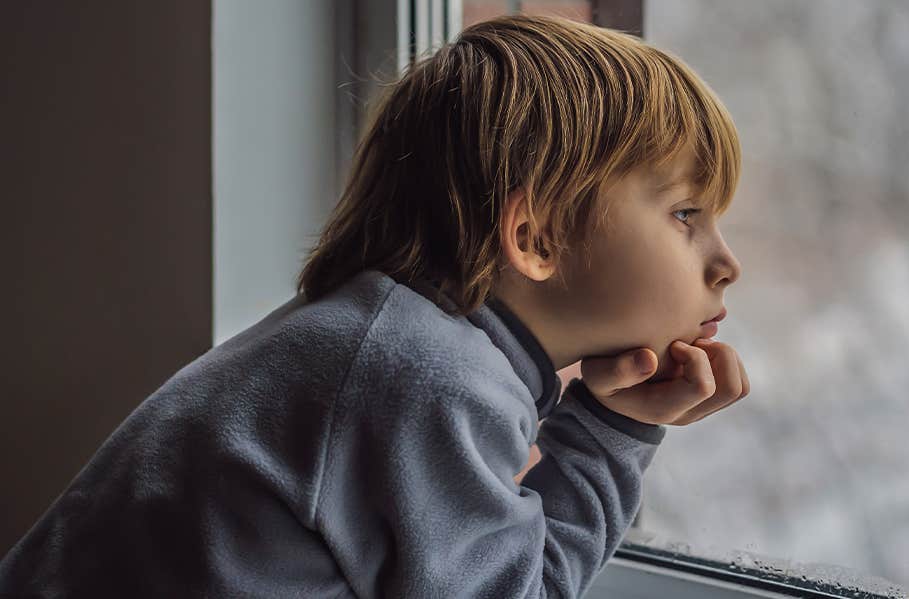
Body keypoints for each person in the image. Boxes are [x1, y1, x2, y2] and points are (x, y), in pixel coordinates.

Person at [0, 14, 749, 598]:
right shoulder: (429, 375)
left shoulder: (386, 337)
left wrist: (609, 422)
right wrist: (611, 437)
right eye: (687, 214)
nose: (727, 263)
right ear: (534, 237)